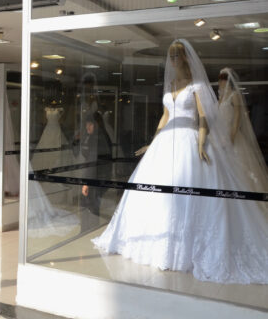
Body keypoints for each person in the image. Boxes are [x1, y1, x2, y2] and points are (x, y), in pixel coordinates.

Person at [92, 39, 268, 284]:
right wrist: (153, 142)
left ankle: (186, 249)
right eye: (171, 56)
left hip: (188, 138)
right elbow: (165, 116)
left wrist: (201, 142)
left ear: (185, 57)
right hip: (166, 141)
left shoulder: (196, 84)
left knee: (190, 191)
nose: (172, 61)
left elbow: (203, 116)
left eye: (176, 56)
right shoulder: (171, 84)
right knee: (157, 192)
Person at [218, 68, 268, 193]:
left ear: (228, 80)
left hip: (232, 135)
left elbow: (237, 119)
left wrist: (231, 138)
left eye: (223, 78)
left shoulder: (234, 96)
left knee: (239, 171)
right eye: (220, 79)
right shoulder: (220, 97)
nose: (220, 82)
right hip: (218, 136)